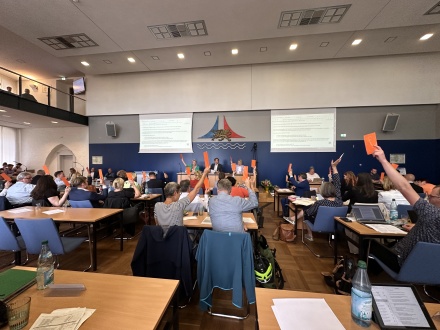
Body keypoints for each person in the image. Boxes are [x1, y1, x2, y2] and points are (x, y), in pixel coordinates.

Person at [370, 146, 440, 272]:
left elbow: (404, 187)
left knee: (369, 243)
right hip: (432, 269)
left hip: (403, 263)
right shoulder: (431, 219)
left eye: (431, 196)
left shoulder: (431, 213)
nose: (427, 197)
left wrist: (384, 161)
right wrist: (418, 227)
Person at [154, 167, 210, 236]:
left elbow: (157, 224)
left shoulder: (157, 206)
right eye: (179, 193)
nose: (179, 195)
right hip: (178, 240)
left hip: (162, 240)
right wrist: (204, 174)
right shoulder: (179, 205)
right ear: (175, 193)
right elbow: (196, 189)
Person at [301, 159, 343, 241]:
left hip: (320, 226)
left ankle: (310, 235)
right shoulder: (339, 201)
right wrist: (334, 167)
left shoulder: (320, 203)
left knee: (306, 213)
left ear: (323, 192)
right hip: (335, 226)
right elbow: (337, 184)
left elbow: (309, 212)